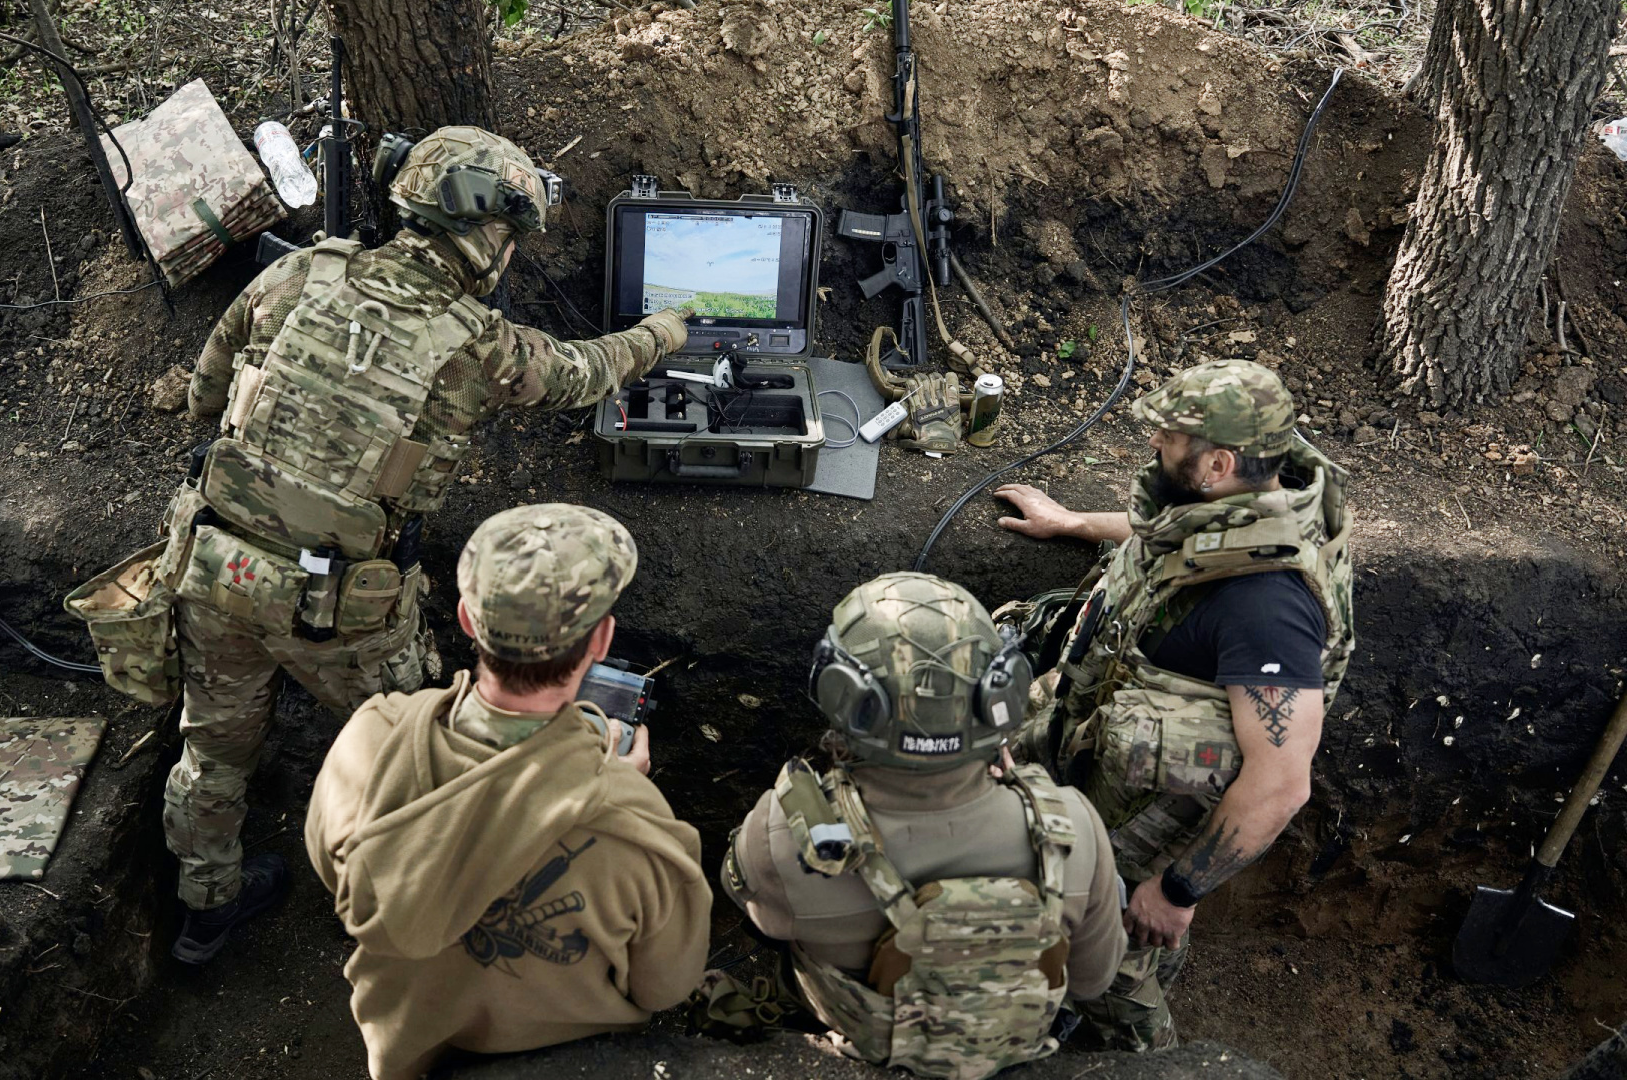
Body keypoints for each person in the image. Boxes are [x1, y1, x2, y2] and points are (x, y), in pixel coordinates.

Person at [113, 125, 693, 964]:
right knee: (428, 760)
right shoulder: (477, 343)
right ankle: (427, 922)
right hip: (342, 609)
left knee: (210, 749)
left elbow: (207, 395)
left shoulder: (298, 272)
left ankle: (207, 907)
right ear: (491, 235)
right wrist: (665, 332)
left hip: (214, 568)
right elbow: (583, 375)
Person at [993, 358, 1356, 1051]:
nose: (1154, 446)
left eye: (1169, 439)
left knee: (1114, 968)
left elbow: (1281, 782)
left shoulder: (1267, 611)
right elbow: (1183, 547)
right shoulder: (1248, 502)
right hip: (1104, 755)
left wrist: (1177, 891)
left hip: (1144, 833)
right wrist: (1071, 523)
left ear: (1218, 462)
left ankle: (1148, 1057)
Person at [304, 503, 711, 1079]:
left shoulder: (369, 740)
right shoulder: (637, 827)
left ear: (467, 620)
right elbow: (666, 986)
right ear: (602, 638)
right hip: (569, 1064)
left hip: (411, 1051)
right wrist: (612, 783)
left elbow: (332, 871)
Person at [719, 571, 1126, 1078]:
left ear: (840, 693)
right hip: (1011, 1048)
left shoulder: (781, 836)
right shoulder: (1073, 828)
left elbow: (763, 920)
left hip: (862, 1051)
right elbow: (1092, 980)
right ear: (998, 694)